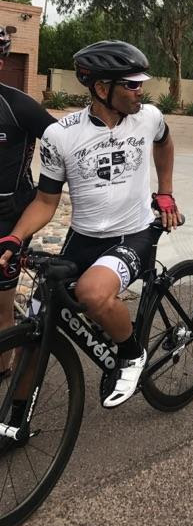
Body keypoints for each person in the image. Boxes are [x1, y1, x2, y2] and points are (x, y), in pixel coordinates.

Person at [0, 40, 181, 410]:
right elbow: (46, 201)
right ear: (101, 88)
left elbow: (164, 143)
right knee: (38, 320)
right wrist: (16, 236)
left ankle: (131, 353)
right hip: (83, 238)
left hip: (133, 234)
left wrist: (165, 192)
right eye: (131, 84)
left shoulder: (149, 117)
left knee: (92, 293)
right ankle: (12, 420)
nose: (140, 91)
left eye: (140, 83)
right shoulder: (61, 135)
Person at [0, 24, 55, 366]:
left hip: (8, 217)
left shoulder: (18, 106)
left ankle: (3, 370)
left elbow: (65, 146)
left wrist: (43, 194)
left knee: (0, 308)